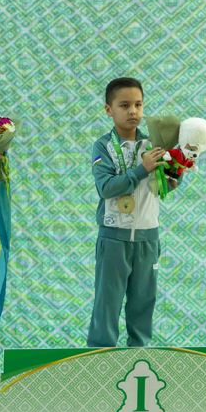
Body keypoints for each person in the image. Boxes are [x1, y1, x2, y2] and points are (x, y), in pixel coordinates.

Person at [87, 77, 178, 347]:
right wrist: (142, 169)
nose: (133, 112)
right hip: (114, 239)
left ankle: (139, 358)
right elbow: (105, 188)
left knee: (143, 304)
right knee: (107, 305)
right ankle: (99, 361)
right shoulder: (103, 147)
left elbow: (164, 186)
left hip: (148, 239)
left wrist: (174, 174)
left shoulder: (154, 143)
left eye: (138, 105)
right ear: (108, 110)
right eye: (124, 105)